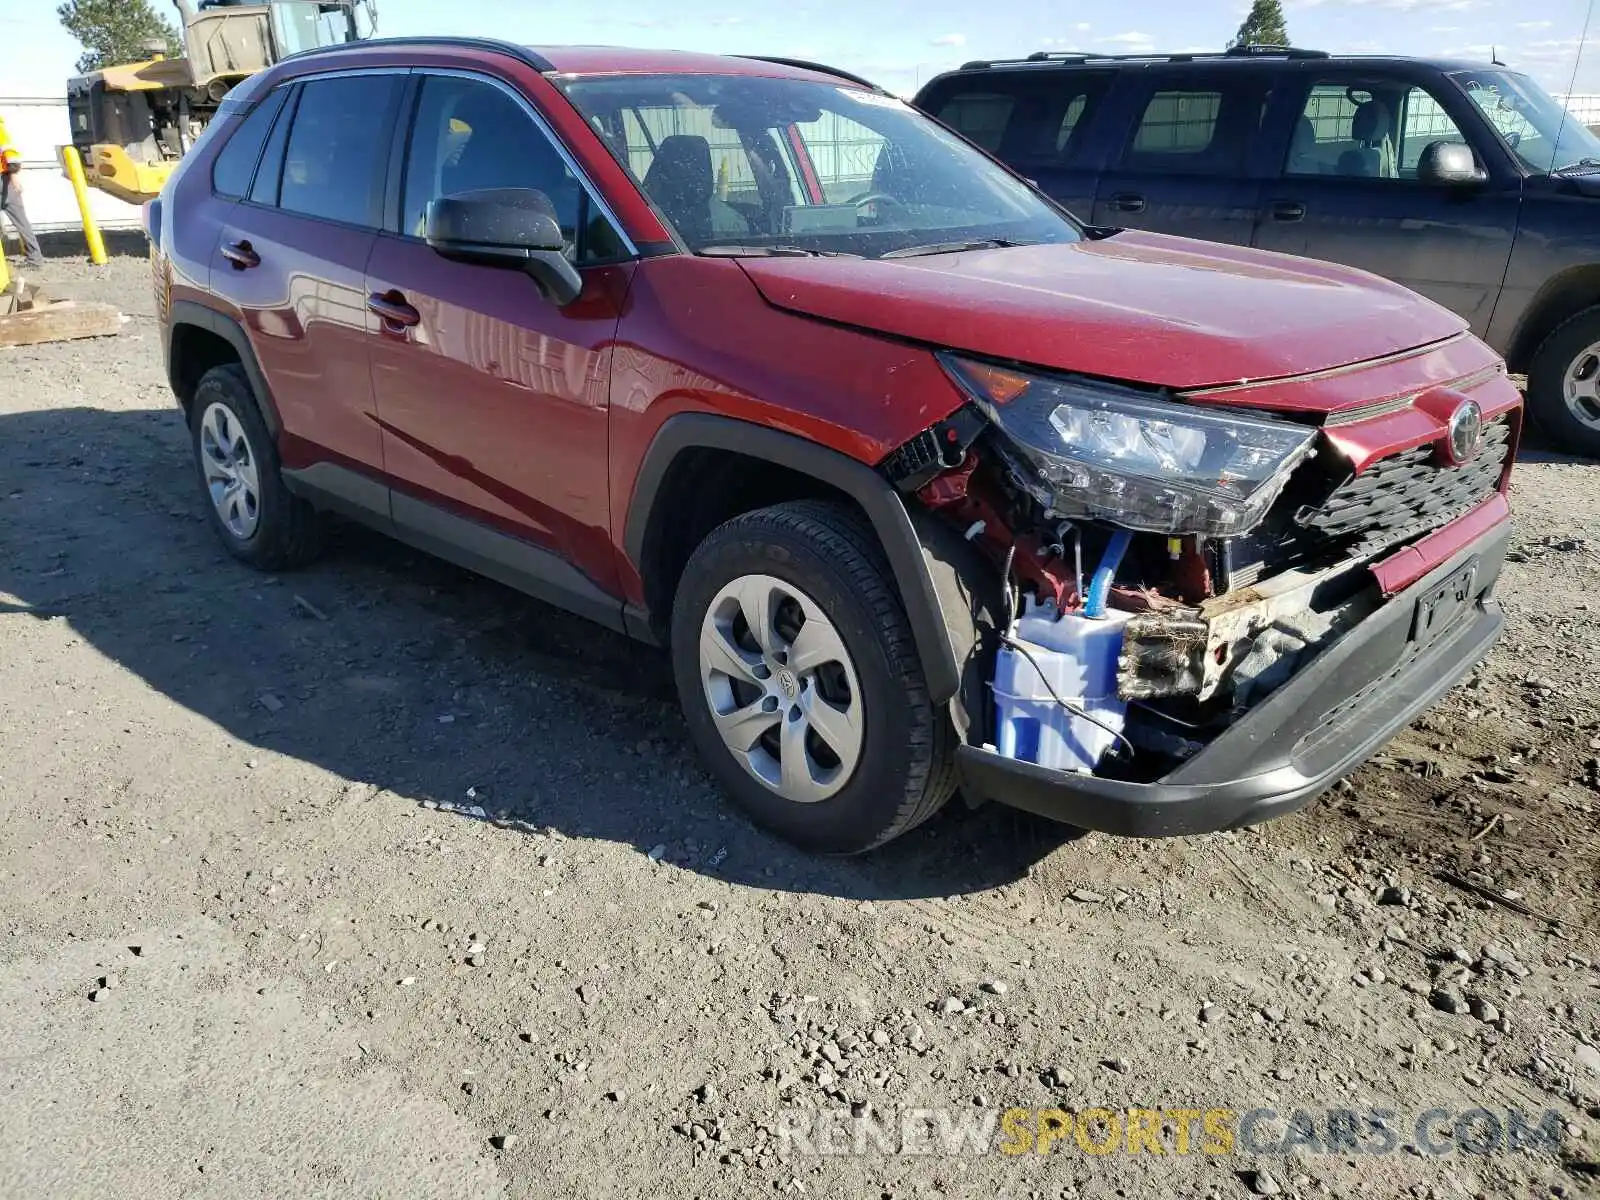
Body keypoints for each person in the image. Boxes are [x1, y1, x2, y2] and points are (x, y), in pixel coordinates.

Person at [0, 112, 45, 269]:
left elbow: (11, 154)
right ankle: (35, 259)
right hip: (6, 182)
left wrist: (13, 176)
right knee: (21, 221)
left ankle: (35, 259)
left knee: (21, 222)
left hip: (4, 181)